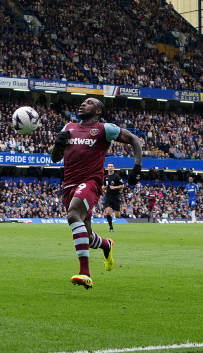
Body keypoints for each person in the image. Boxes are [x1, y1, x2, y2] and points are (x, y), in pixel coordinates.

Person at [51, 97, 143, 290]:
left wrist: (137, 167)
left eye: (89, 102)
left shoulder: (104, 129)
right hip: (69, 185)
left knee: (72, 214)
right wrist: (58, 144)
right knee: (88, 233)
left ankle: (85, 273)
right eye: (83, 102)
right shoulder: (68, 127)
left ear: (98, 111)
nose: (83, 103)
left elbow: (134, 139)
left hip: (91, 182)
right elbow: (55, 158)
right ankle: (106, 245)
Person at [102, 163, 126, 231]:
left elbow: (122, 185)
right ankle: (111, 228)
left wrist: (115, 187)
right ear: (107, 167)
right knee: (107, 212)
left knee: (117, 215)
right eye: (109, 166)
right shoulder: (105, 177)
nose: (110, 167)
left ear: (113, 167)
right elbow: (103, 185)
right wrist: (103, 187)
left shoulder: (116, 176)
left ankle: (121, 212)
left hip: (115, 197)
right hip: (108, 196)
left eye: (111, 166)